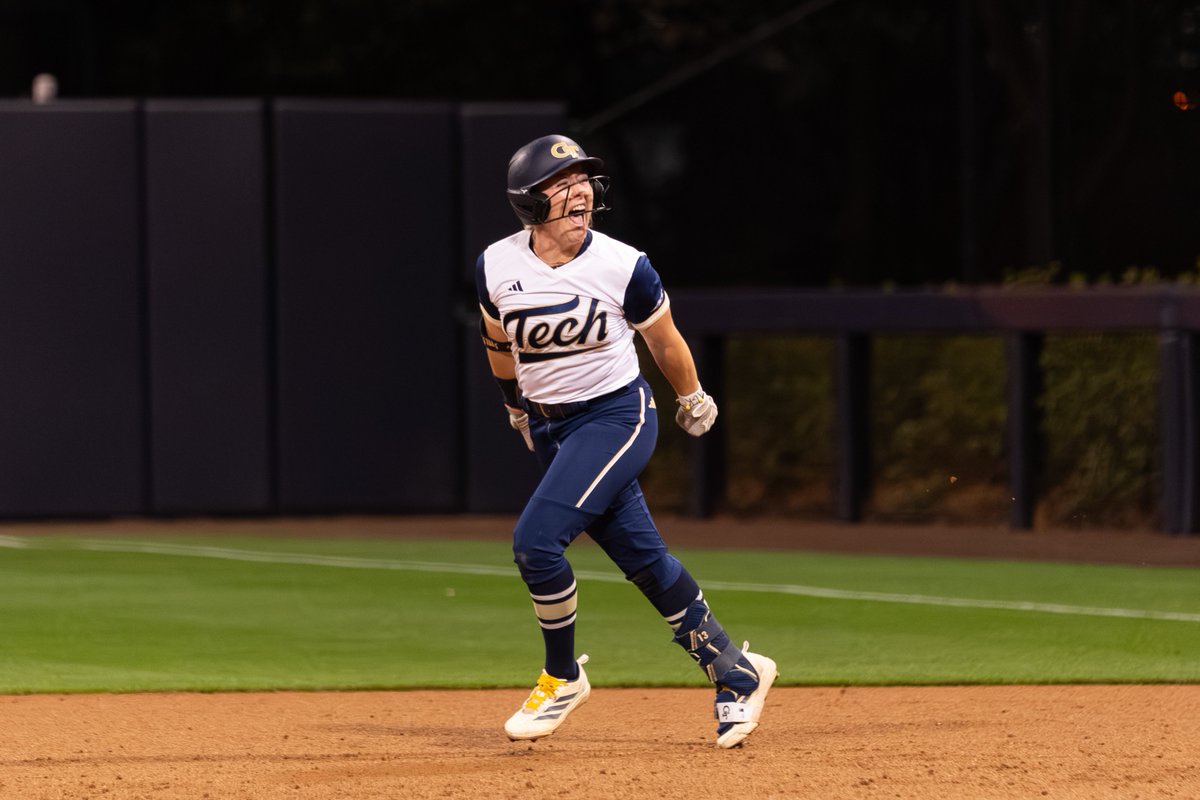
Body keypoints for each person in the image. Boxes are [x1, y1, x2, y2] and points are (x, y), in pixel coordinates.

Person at [475, 134, 777, 749]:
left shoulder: (622, 265)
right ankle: (735, 671)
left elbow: (664, 340)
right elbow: (498, 344)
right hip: (551, 427)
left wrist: (692, 395)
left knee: (536, 544)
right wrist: (514, 407)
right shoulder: (496, 264)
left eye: (582, 180)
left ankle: (562, 676)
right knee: (644, 561)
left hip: (616, 416)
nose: (579, 192)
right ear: (529, 202)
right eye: (562, 184)